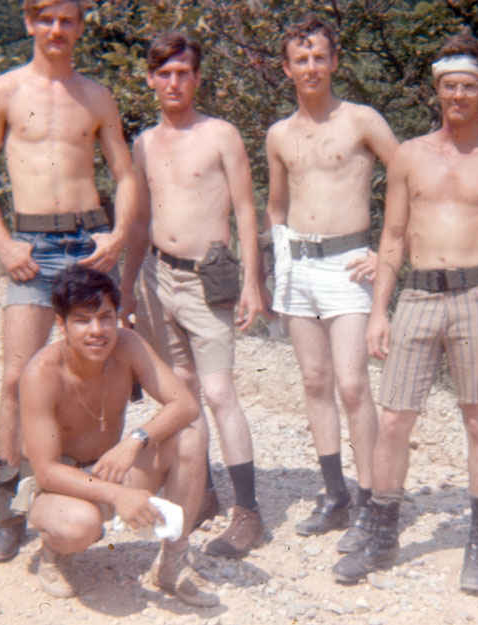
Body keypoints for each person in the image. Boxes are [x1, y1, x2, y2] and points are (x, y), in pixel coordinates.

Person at [332, 28, 478, 594]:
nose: (459, 97)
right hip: (417, 295)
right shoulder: (409, 158)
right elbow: (391, 237)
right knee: (394, 417)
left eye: (469, 86)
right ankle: (381, 530)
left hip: (477, 297)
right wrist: (378, 312)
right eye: (449, 86)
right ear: (437, 91)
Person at [0, 0, 136, 563]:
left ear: (79, 26)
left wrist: (117, 236)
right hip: (32, 248)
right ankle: (8, 508)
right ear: (29, 23)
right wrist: (1, 242)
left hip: (89, 244)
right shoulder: (3, 92)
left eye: (67, 20)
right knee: (16, 376)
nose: (57, 30)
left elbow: (126, 175)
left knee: (92, 367)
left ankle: (76, 480)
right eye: (47, 19)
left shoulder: (96, 96)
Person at [121, 32, 266, 559]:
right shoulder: (143, 143)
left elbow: (247, 210)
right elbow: (138, 220)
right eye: (165, 73)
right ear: (152, 79)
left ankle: (247, 512)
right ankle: (200, 493)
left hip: (211, 277)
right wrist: (126, 289)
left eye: (184, 73)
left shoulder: (221, 135)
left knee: (220, 391)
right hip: (159, 278)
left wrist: (253, 279)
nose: (174, 82)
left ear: (197, 78)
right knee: (181, 393)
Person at [264, 14, 397, 550]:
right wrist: (277, 267)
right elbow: (275, 205)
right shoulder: (279, 134)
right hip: (297, 265)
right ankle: (334, 494)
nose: (312, 67)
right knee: (315, 383)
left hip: (349, 264)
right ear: (287, 68)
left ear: (335, 61)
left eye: (320, 56)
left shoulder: (361, 120)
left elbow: (409, 177)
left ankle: (370, 500)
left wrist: (388, 255)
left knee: (351, 384)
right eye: (302, 59)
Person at [17, 264, 218, 607]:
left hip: (107, 466)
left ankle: (172, 562)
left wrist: (135, 440)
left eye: (106, 317)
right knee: (81, 525)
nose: (97, 331)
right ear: (61, 324)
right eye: (83, 320)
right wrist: (118, 496)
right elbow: (47, 471)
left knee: (191, 434)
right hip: (56, 484)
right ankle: (53, 553)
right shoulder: (42, 373)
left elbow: (184, 404)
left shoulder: (127, 344)